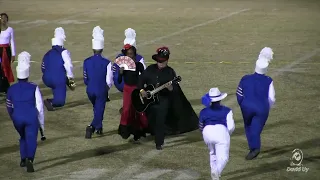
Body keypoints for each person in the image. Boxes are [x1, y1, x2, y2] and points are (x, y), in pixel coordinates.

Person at [137, 46, 198, 150]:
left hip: (163, 101)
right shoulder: (150, 69)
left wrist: (170, 88)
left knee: (160, 121)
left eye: (163, 61)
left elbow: (175, 90)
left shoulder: (170, 72)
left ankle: (159, 143)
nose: (160, 63)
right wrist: (142, 91)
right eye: (159, 61)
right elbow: (140, 81)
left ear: (167, 60)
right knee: (150, 119)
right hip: (149, 101)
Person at [6, 51, 45, 173]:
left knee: (22, 137)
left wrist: (14, 117)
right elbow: (39, 107)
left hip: (17, 118)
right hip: (31, 118)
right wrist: (42, 124)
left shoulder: (11, 89)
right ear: (27, 75)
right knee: (31, 139)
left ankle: (22, 158)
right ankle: (30, 159)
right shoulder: (34, 87)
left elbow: (9, 107)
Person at [236, 47, 276, 160]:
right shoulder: (268, 80)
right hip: (262, 109)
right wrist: (267, 107)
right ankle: (255, 148)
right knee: (256, 128)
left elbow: (238, 93)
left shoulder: (245, 78)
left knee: (248, 127)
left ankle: (253, 148)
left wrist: (242, 104)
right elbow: (271, 98)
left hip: (246, 107)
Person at [84, 26, 113, 138]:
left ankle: (99, 128)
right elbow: (109, 81)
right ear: (102, 49)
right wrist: (105, 90)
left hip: (90, 89)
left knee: (96, 108)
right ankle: (92, 127)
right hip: (101, 89)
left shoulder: (86, 61)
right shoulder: (107, 62)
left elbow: (85, 78)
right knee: (99, 109)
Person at [199, 88, 235, 180]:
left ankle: (214, 175)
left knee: (213, 153)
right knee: (224, 157)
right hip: (221, 132)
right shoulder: (227, 110)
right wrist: (226, 134)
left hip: (207, 132)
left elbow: (200, 126)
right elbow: (231, 127)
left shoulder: (203, 111)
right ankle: (216, 171)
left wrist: (206, 134)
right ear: (220, 99)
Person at [117, 44, 147, 141]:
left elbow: (144, 77)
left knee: (137, 109)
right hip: (127, 89)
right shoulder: (124, 66)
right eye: (129, 54)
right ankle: (125, 129)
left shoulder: (139, 65)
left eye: (132, 54)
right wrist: (120, 73)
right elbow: (118, 80)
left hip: (136, 89)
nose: (131, 56)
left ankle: (138, 130)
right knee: (126, 109)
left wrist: (142, 87)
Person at [112, 28, 146, 113]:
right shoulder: (139, 59)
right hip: (129, 85)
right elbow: (144, 75)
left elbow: (114, 75)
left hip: (122, 85)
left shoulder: (119, 57)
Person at [41, 27, 75, 111]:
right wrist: (70, 80)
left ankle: (58, 91)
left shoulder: (47, 53)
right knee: (60, 102)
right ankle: (50, 101)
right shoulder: (64, 52)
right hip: (58, 80)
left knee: (56, 86)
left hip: (46, 79)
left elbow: (43, 68)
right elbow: (69, 65)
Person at [0, 13, 15, 94]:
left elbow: (12, 42)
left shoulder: (10, 29)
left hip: (6, 51)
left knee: (6, 68)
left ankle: (6, 87)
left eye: (5, 18)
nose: (3, 19)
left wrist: (13, 54)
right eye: (2, 18)